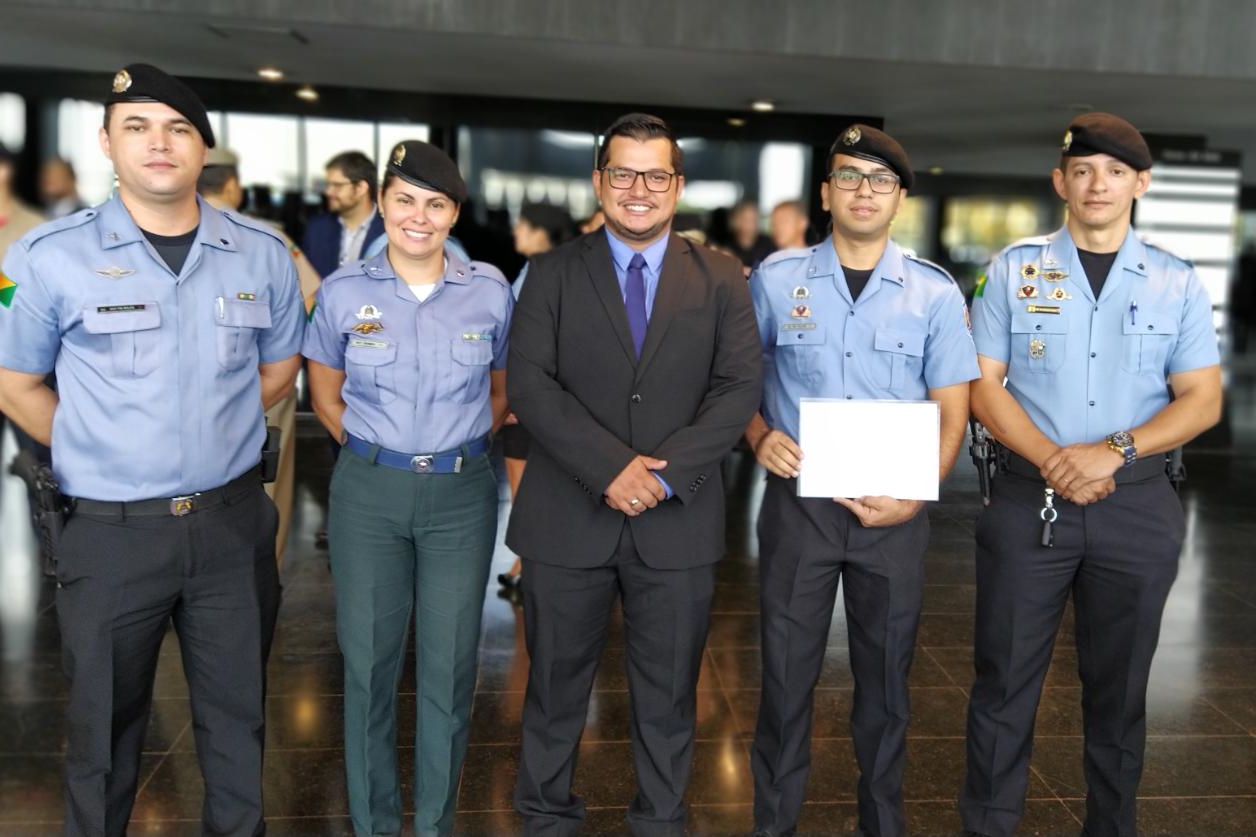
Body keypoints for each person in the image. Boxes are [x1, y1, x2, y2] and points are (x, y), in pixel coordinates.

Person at [0, 64, 304, 836]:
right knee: (103, 735)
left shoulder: (259, 253)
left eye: (179, 127)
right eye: (137, 126)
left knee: (237, 727)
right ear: (106, 142)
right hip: (112, 532)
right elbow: (10, 380)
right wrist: (105, 443)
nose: (159, 143)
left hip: (231, 528)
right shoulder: (44, 255)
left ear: (203, 147)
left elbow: (279, 367)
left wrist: (207, 426)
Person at [960, 113, 1223, 837]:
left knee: (1120, 691)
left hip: (1136, 507)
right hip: (1025, 500)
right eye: (1082, 170)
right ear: (1060, 182)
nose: (1096, 183)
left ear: (1140, 183)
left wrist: (1114, 450)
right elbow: (984, 386)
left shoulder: (1176, 281)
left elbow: (1202, 397)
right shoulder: (1014, 268)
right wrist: (1054, 458)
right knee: (1003, 684)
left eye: (1113, 171)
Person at [507, 112, 762, 836]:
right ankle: (546, 817)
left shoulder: (719, 278)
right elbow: (531, 385)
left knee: (670, 693)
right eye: (623, 172)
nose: (639, 189)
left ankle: (660, 818)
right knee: (554, 690)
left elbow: (738, 386)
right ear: (599, 181)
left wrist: (667, 472)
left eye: (656, 174)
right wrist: (610, 468)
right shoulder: (551, 273)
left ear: (676, 186)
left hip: (675, 521)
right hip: (566, 518)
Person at [746, 124, 980, 837]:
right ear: (826, 191)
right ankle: (773, 824)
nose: (863, 191)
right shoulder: (776, 280)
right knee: (785, 684)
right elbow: (738, 383)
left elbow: (953, 413)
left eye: (879, 180)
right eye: (848, 176)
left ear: (900, 197)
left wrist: (916, 494)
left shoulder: (933, 293)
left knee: (885, 688)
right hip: (800, 510)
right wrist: (759, 436)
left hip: (895, 515)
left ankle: (881, 823)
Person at [302, 139, 513, 837]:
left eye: (435, 204)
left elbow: (501, 392)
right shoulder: (342, 292)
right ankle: (372, 822)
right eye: (404, 200)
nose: (417, 217)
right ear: (382, 203)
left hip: (461, 492)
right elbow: (324, 394)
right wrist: (373, 455)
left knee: (450, 670)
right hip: (368, 491)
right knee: (367, 667)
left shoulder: (488, 290)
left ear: (454, 213)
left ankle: (435, 825)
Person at [198, 145, 322, 560]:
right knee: (266, 489)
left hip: (179, 401)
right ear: (233, 184)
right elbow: (312, 299)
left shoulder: (153, 234)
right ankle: (260, 580)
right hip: (263, 388)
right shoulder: (266, 239)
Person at [497, 201, 579, 591]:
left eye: (522, 226)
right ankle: (525, 560)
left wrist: (514, 397)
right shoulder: (563, 270)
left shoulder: (541, 273)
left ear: (540, 232)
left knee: (525, 491)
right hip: (545, 398)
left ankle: (531, 563)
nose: (516, 233)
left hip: (529, 401)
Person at [0, 142, 46, 559]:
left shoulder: (33, 228)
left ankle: (51, 542)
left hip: (21, 354)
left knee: (37, 451)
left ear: (0, 172)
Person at [302, 150, 385, 277]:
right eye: (328, 185)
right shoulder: (316, 229)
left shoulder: (389, 232)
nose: (328, 192)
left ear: (360, 188)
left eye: (337, 185)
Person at [726, 199, 775, 275]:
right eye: (747, 220)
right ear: (736, 221)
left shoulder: (770, 245)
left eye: (755, 220)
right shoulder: (727, 246)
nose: (752, 225)